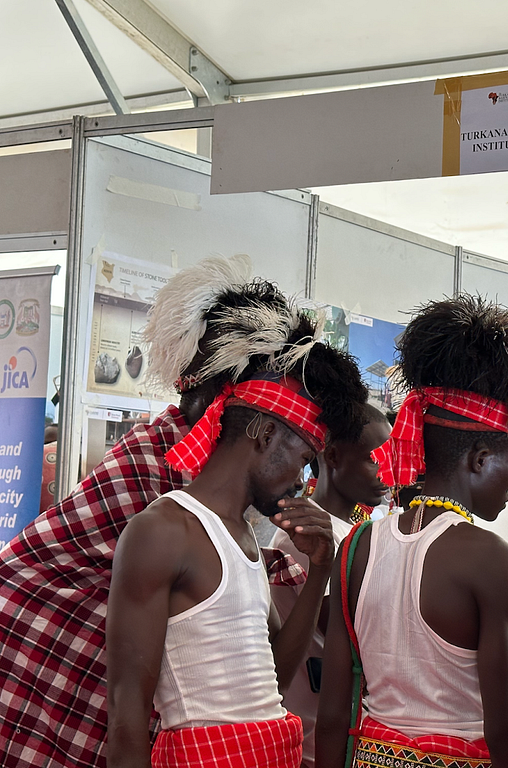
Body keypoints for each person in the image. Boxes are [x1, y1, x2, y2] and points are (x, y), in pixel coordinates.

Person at [0, 255, 336, 768]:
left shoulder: (224, 493)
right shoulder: (159, 464)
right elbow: (41, 574)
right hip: (63, 671)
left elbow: (259, 658)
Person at [316, 294, 508, 768]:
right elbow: (503, 724)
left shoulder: (357, 545)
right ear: (479, 459)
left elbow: (334, 713)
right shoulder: (488, 557)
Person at [106, 327, 368, 768]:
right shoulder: (164, 531)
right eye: (304, 460)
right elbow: (126, 716)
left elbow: (275, 680)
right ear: (265, 434)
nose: (303, 483)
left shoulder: (244, 536)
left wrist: (322, 568)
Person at [270, 404, 391, 767]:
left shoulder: (349, 530)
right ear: (334, 456)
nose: (385, 473)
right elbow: (352, 636)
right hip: (312, 731)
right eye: (374, 459)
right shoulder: (305, 534)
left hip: (339, 724)